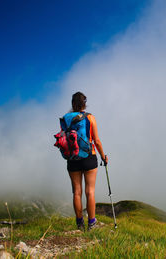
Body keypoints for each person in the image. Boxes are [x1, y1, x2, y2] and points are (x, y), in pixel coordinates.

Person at [66, 92, 108, 231]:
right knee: (90, 192)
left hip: (72, 158)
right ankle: (91, 223)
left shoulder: (66, 118)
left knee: (77, 192)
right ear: (84, 103)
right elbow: (96, 140)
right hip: (89, 157)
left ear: (72, 103)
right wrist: (103, 156)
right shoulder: (90, 117)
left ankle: (79, 224)